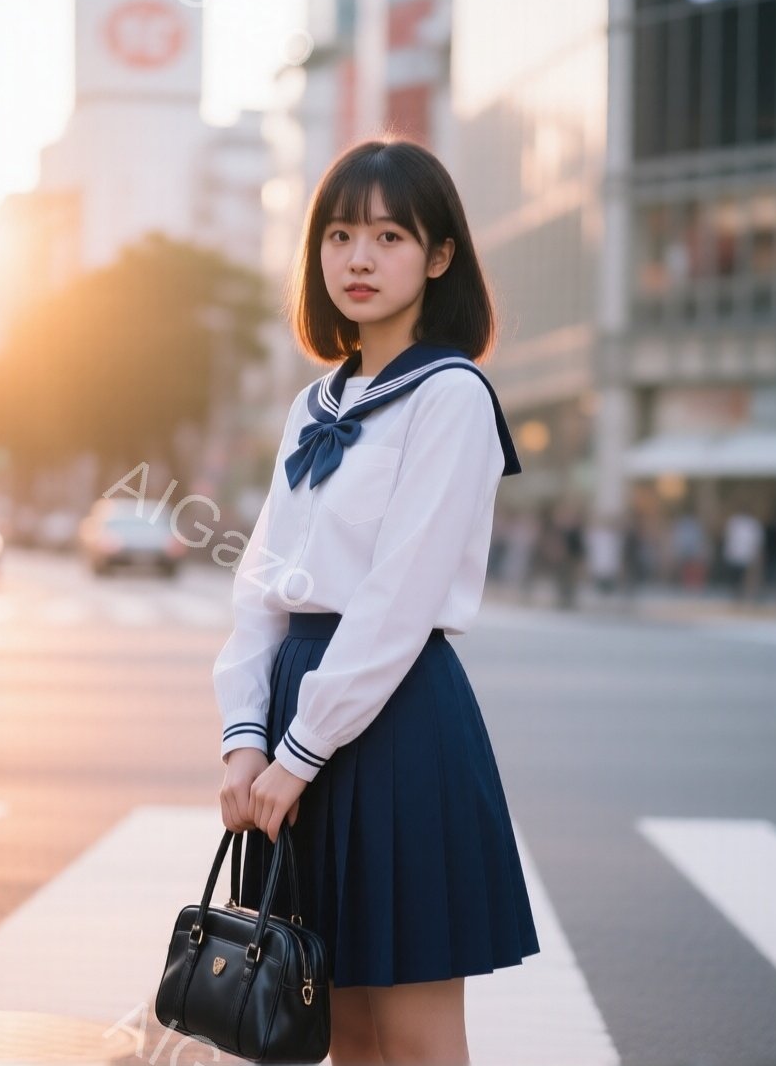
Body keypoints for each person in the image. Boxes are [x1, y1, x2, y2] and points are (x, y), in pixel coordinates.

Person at [213, 139, 539, 1064]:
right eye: (341, 234)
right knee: (335, 1024)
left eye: (390, 236)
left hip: (395, 723)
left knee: (416, 1036)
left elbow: (400, 598)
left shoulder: (452, 397)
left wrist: (297, 753)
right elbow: (262, 579)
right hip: (296, 720)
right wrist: (245, 735)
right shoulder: (313, 404)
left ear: (439, 257)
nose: (358, 258)